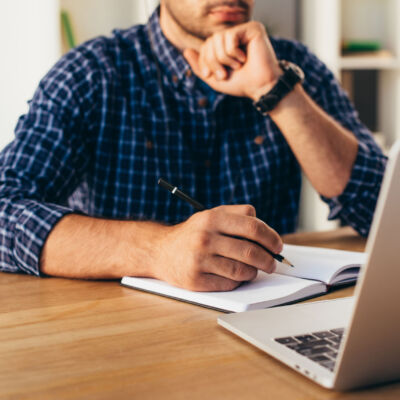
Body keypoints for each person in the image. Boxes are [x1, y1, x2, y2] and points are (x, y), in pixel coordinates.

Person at [0, 0, 386, 291]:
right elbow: (5, 212)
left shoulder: (293, 68)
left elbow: (385, 213)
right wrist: (155, 250)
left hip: (269, 324)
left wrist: (276, 91)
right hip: (125, 342)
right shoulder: (91, 73)